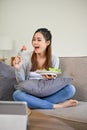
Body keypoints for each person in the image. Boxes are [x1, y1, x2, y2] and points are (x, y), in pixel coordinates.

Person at [13, 28, 78, 109]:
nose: (35, 42)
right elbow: (22, 83)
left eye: (39, 40)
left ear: (47, 42)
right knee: (17, 94)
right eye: (33, 39)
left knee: (70, 89)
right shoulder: (25, 57)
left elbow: (52, 85)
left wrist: (50, 79)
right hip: (30, 93)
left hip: (47, 92)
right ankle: (55, 105)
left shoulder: (54, 59)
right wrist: (18, 69)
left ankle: (34, 103)